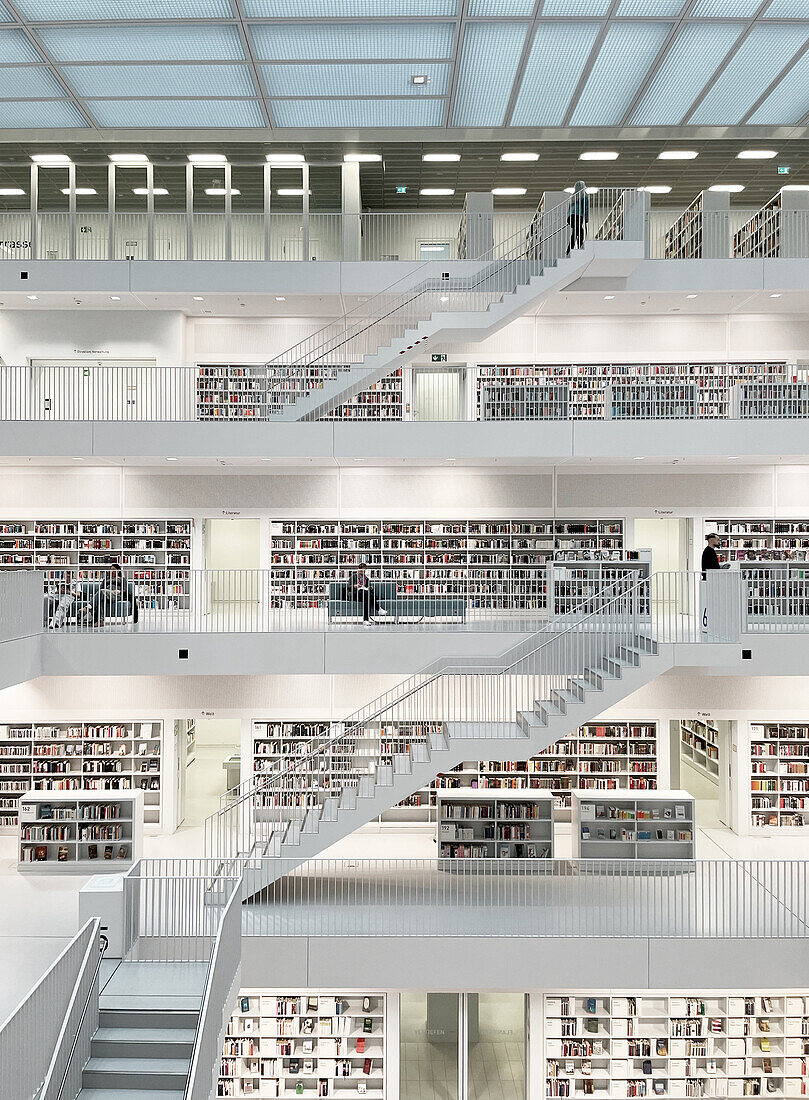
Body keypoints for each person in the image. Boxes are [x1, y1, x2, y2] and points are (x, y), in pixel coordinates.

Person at [347, 560, 378, 626]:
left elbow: (369, 588)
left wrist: (370, 588)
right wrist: (355, 586)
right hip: (354, 594)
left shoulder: (366, 578)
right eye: (361, 570)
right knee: (364, 593)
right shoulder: (353, 577)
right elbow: (348, 587)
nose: (362, 572)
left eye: (364, 570)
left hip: (363, 595)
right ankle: (378, 608)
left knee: (366, 597)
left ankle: (366, 620)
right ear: (358, 570)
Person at [567, 180, 589, 256]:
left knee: (575, 232)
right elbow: (585, 207)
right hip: (578, 216)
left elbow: (569, 208)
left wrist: (568, 218)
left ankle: (569, 250)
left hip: (571, 216)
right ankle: (580, 246)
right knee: (581, 231)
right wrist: (586, 217)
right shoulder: (584, 195)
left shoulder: (573, 196)